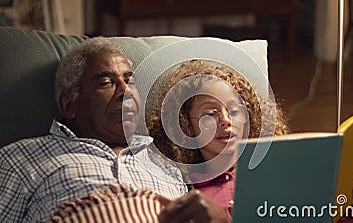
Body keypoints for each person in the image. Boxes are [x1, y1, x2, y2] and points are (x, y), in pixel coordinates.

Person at [0, 38, 230, 223]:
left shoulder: (167, 162)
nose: (125, 92)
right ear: (69, 105)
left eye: (130, 81)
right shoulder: (20, 159)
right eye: (106, 83)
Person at [145, 59, 353, 222]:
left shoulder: (280, 167)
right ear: (184, 125)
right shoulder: (186, 188)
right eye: (210, 113)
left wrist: (352, 200)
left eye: (235, 111)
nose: (226, 120)